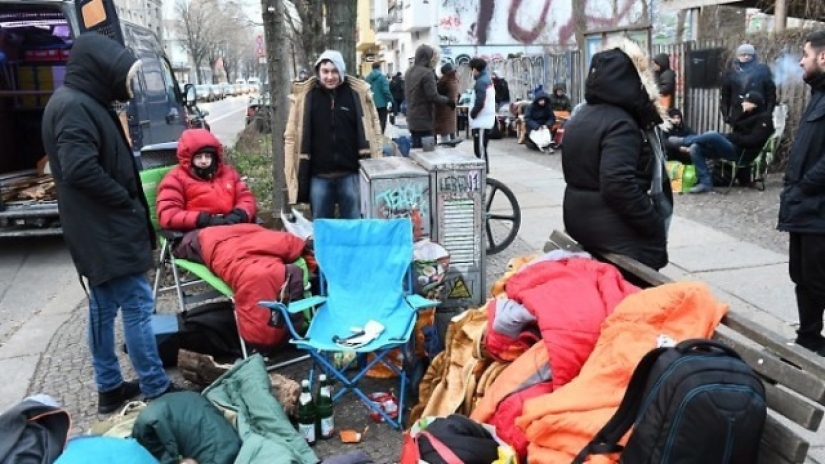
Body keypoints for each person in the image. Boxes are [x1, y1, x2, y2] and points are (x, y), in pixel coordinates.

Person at [41, 32, 174, 414]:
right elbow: (79, 168)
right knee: (137, 302)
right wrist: (125, 201)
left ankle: (110, 387)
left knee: (103, 307)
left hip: (98, 229)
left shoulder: (80, 101)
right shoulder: (73, 107)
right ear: (100, 72)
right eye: (121, 77)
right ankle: (154, 384)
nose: (125, 87)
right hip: (104, 230)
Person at [561, 39, 672, 271]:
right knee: (653, 252)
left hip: (578, 217)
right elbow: (618, 184)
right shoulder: (621, 122)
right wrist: (652, 222)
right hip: (607, 225)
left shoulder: (582, 114)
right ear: (632, 79)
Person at [284, 50, 383, 219]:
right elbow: (291, 136)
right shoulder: (306, 98)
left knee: (354, 226)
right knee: (322, 228)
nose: (330, 76)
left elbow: (374, 132)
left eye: (334, 71)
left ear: (342, 71)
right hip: (319, 176)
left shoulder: (357, 95)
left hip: (351, 175)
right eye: (325, 71)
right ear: (318, 72)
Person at [778, 30, 825, 357]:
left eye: (805, 55)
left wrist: (805, 184)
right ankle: (809, 338)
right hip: (804, 207)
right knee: (804, 276)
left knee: (818, 279)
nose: (800, 61)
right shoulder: (818, 95)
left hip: (818, 207)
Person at [156, 128, 256, 235]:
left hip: (233, 226)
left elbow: (246, 197)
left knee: (269, 243)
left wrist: (240, 213)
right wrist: (202, 219)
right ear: (188, 158)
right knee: (233, 250)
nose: (204, 161)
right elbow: (168, 214)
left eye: (208, 156)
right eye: (198, 157)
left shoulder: (228, 173)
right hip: (199, 232)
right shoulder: (174, 179)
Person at [670, 91, 773, 194]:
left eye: (745, 101)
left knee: (712, 135)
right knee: (695, 148)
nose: (742, 103)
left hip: (743, 153)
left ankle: (684, 141)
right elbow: (737, 134)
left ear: (754, 104)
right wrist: (731, 137)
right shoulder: (746, 115)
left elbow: (753, 141)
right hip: (734, 146)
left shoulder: (764, 119)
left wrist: (732, 137)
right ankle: (705, 183)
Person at [404, 45, 452, 148]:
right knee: (427, 153)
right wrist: (448, 101)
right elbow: (433, 96)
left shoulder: (408, 72)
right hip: (424, 119)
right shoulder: (427, 73)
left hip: (412, 118)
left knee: (416, 152)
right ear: (427, 57)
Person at [720, 43, 776, 125]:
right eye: (743, 55)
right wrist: (725, 114)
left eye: (749, 55)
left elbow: (770, 94)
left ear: (754, 56)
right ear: (738, 56)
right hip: (738, 115)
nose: (746, 57)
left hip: (758, 115)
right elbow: (725, 97)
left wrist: (768, 112)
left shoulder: (762, 71)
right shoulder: (731, 74)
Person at [468, 57, 496, 169]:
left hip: (481, 121)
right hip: (484, 120)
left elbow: (480, 101)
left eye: (471, 70)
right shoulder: (486, 79)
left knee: (480, 149)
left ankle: (484, 175)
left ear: (475, 69)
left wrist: (472, 114)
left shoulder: (481, 82)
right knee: (481, 148)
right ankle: (484, 174)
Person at [365, 62, 393, 134]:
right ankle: (380, 136)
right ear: (379, 67)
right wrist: (390, 100)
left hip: (370, 103)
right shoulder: (382, 77)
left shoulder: (367, 78)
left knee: (373, 120)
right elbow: (386, 90)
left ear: (372, 68)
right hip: (382, 104)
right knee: (382, 120)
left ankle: (373, 136)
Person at [434, 63, 460, 143]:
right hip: (451, 108)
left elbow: (437, 94)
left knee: (444, 133)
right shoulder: (455, 79)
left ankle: (447, 148)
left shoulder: (444, 81)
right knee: (450, 130)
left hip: (444, 110)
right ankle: (452, 146)